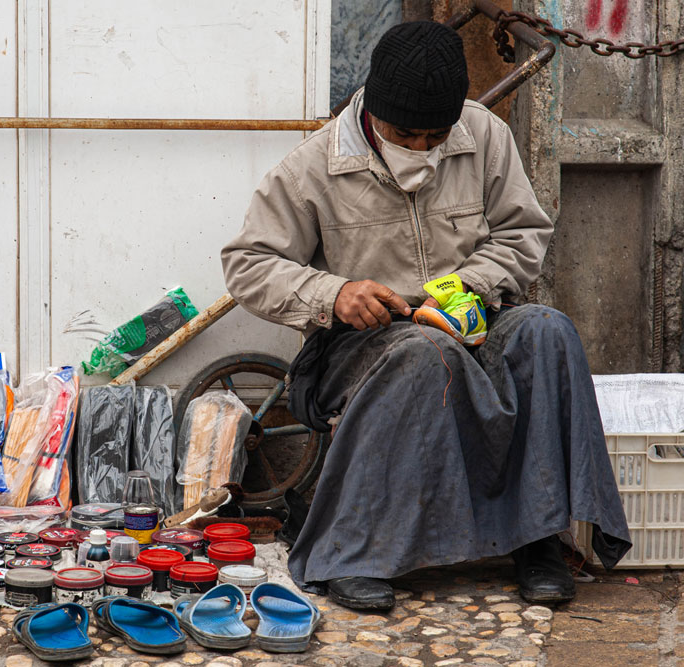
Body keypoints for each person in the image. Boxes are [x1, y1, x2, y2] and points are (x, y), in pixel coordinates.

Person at [221, 20, 630, 611]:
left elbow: (523, 233)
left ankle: (539, 536)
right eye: (405, 135)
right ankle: (357, 551)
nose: (419, 148)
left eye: (434, 137)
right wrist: (334, 294)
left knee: (548, 331)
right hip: (361, 346)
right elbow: (249, 265)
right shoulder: (311, 167)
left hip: (472, 319)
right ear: (374, 114)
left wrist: (468, 284)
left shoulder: (484, 135)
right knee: (421, 353)